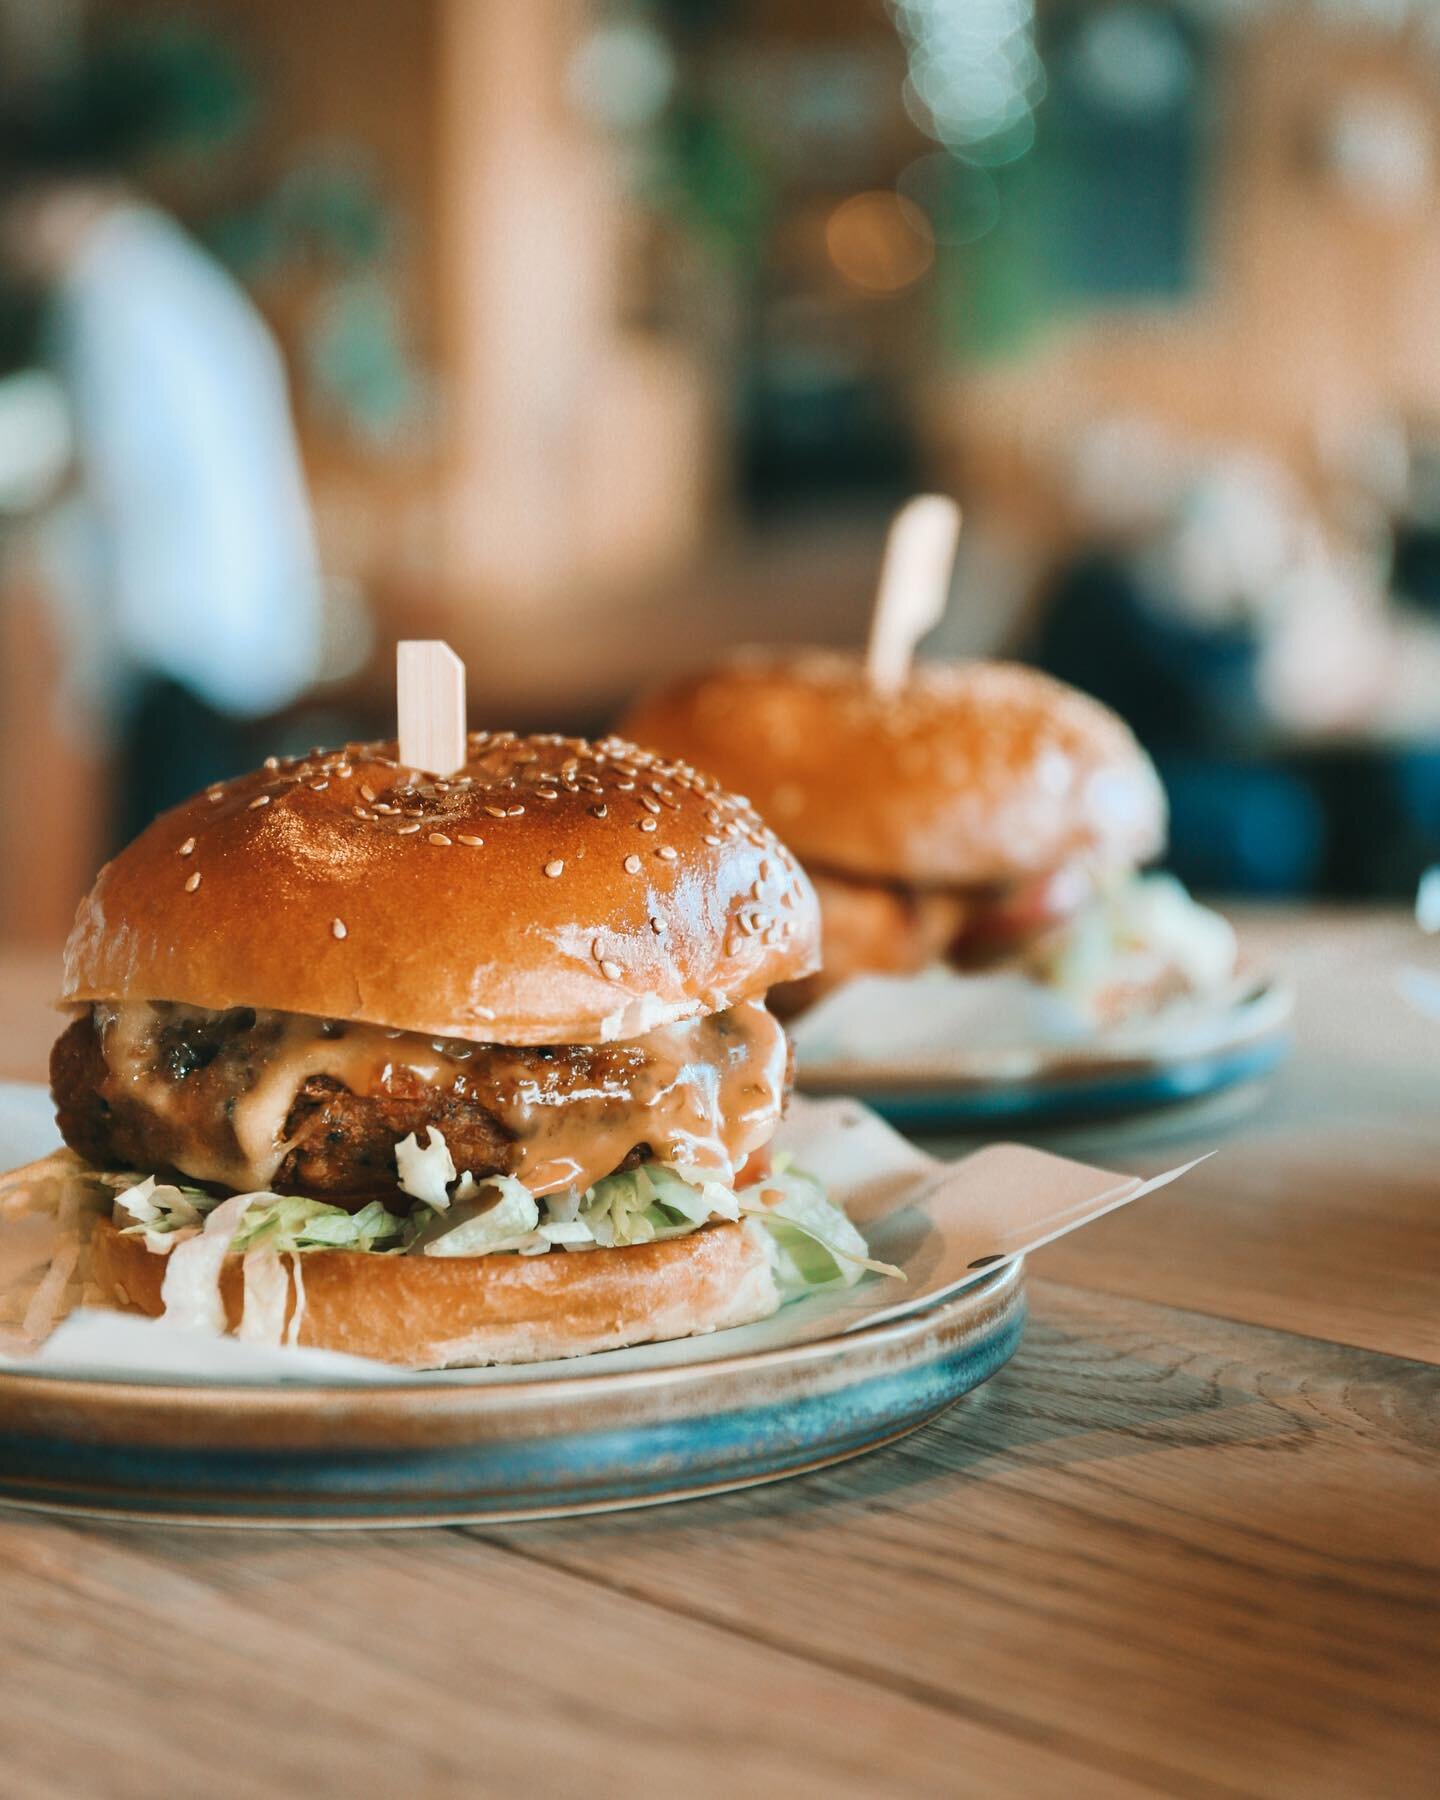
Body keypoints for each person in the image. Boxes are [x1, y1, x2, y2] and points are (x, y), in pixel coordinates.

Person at [0, 107, 321, 843]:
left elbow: (106, 465)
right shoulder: (158, 274)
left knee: (163, 870)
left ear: (42, 198)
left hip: (179, 638)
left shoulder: (110, 295)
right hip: (219, 628)